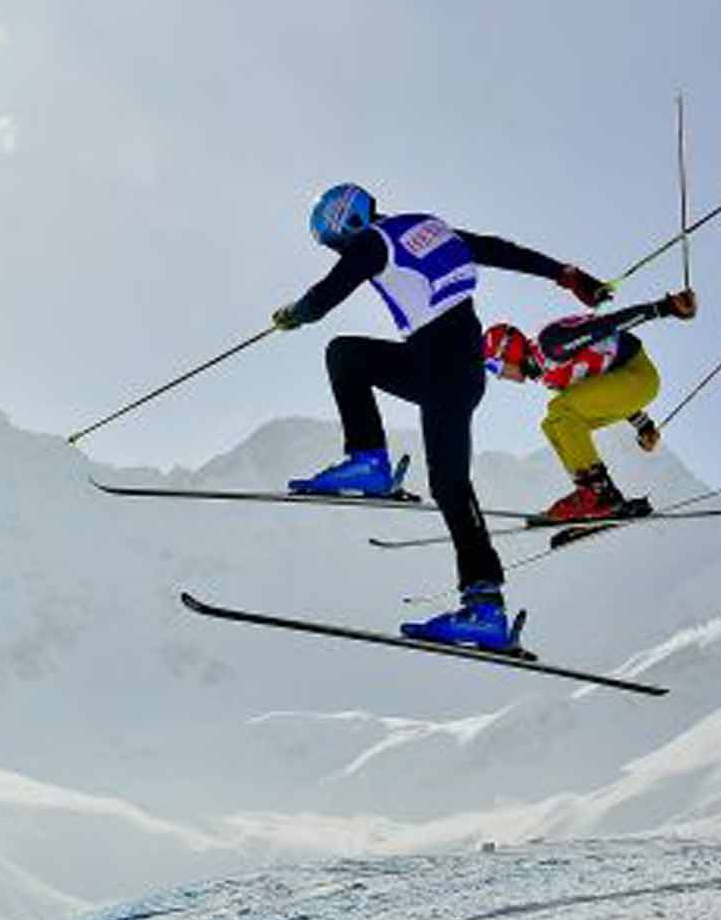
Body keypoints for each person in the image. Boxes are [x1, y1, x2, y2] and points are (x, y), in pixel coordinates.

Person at [272, 183, 608, 651]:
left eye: (333, 242)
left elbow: (329, 292)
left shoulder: (373, 241)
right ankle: (484, 607)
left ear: (343, 224)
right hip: (457, 370)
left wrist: (295, 313)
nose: (339, 250)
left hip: (438, 367)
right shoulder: (429, 228)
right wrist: (565, 273)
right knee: (448, 483)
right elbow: (498, 249)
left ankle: (370, 463)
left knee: (345, 356)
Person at [482, 288, 697, 526]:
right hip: (627, 384)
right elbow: (602, 393)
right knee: (552, 424)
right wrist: (644, 426)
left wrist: (664, 308)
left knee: (561, 410)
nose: (499, 376)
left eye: (494, 366)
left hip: (638, 374)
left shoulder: (550, 346)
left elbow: (608, 325)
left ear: (508, 351)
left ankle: (597, 494)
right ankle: (594, 494)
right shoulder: (548, 375)